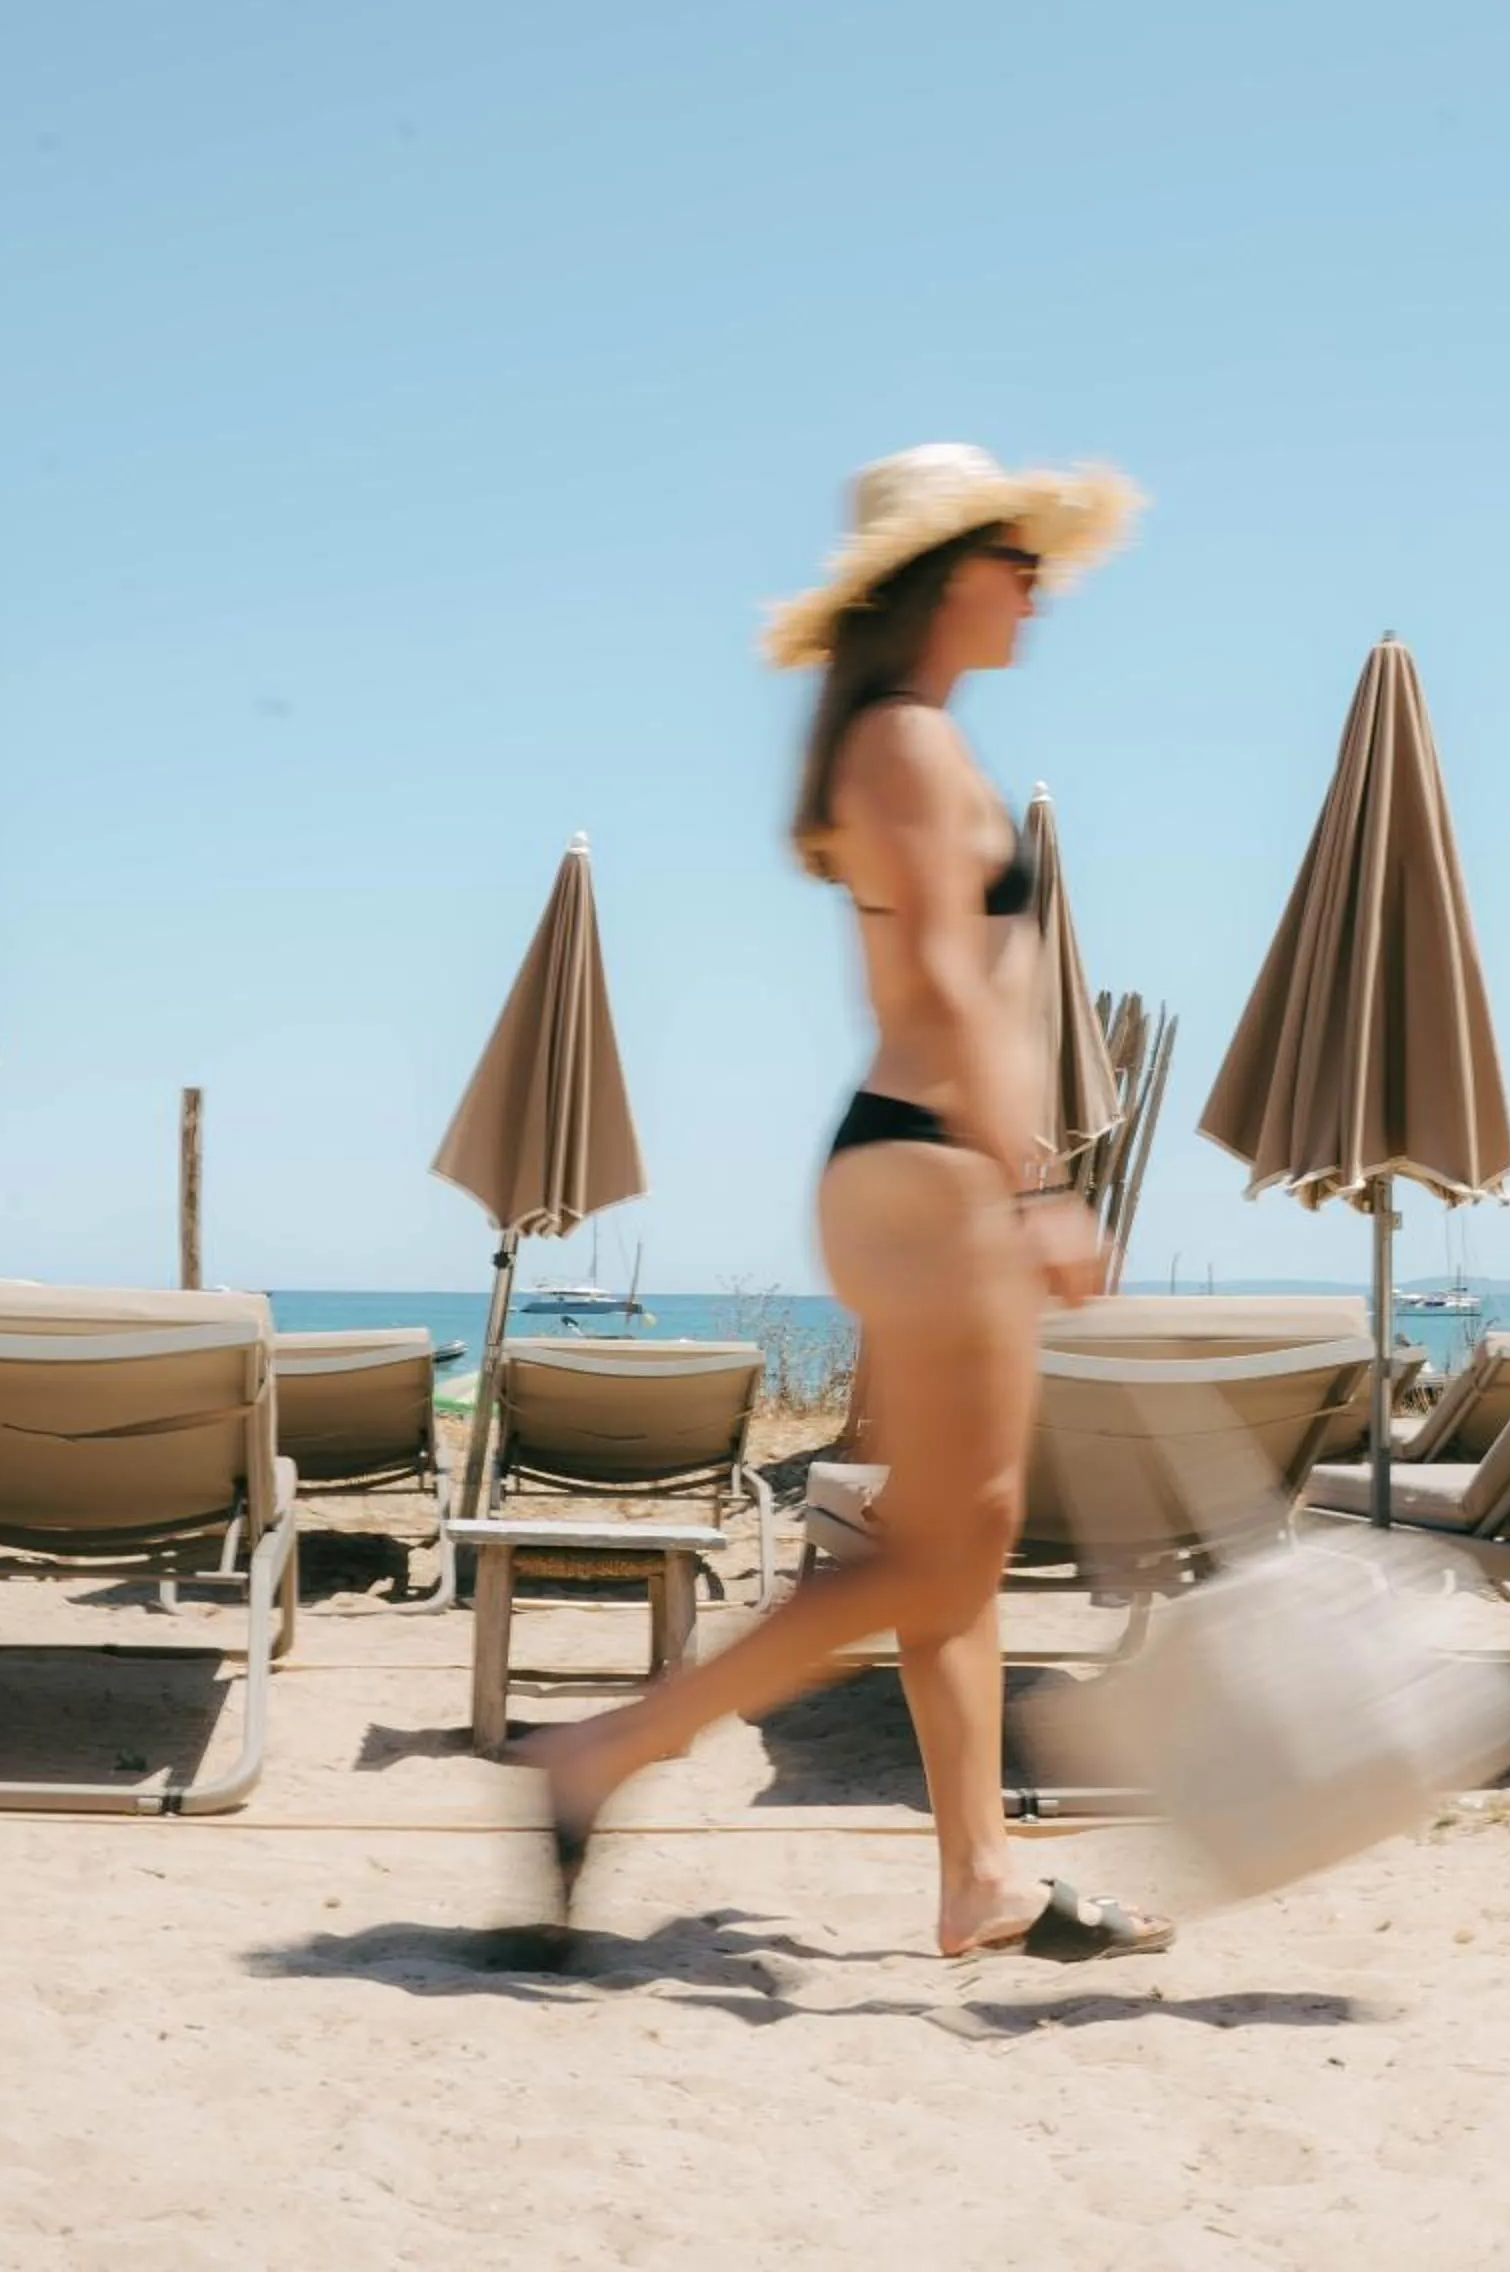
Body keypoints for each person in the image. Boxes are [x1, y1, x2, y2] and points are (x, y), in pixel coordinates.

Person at [527, 441, 1172, 1961]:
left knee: (956, 1540)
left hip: (912, 1168)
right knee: (949, 1550)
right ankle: (607, 1750)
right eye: (1018, 559)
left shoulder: (902, 741)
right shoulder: (908, 746)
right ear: (948, 574)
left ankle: (979, 1879)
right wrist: (1042, 1181)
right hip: (939, 1169)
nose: (1038, 589)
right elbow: (951, 985)